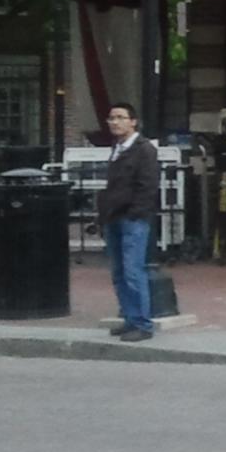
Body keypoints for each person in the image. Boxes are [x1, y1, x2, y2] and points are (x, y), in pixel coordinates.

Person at [98, 102, 159, 342]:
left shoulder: (144, 150)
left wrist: (135, 213)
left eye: (121, 117)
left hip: (132, 219)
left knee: (133, 271)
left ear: (133, 122)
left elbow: (148, 186)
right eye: (111, 118)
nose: (115, 122)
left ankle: (142, 324)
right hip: (114, 216)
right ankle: (130, 318)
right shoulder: (117, 148)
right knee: (119, 272)